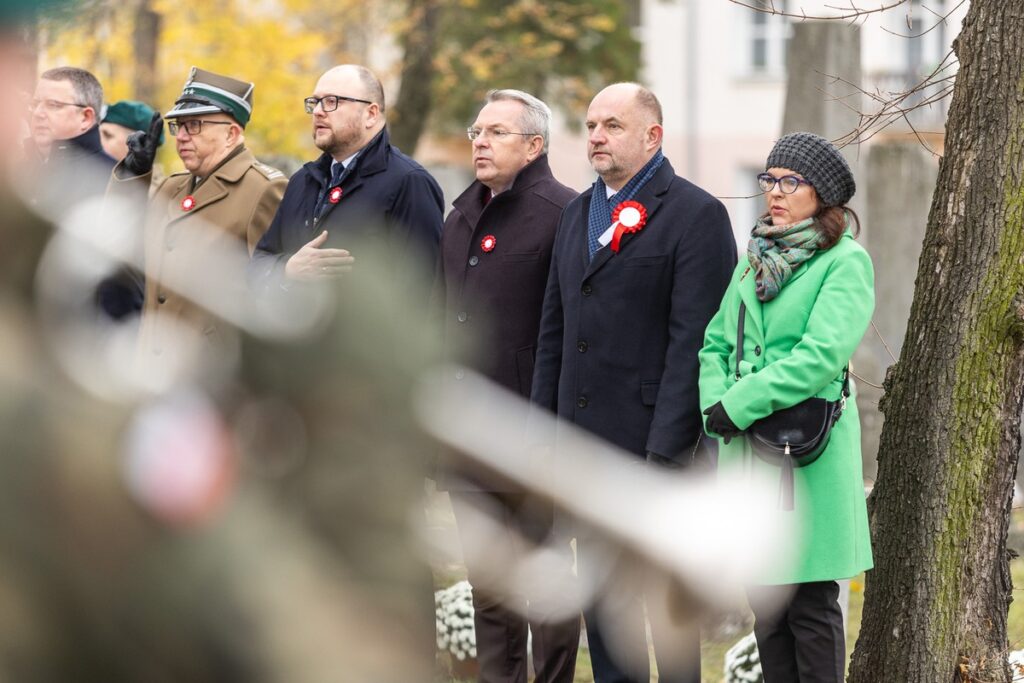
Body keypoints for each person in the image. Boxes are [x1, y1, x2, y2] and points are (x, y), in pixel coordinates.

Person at [530, 82, 736, 683]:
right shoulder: (575, 215)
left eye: (612, 125)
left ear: (653, 135)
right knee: (607, 619)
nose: (596, 135)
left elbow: (694, 344)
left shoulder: (697, 215)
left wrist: (663, 455)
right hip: (584, 450)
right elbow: (555, 333)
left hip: (655, 451)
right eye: (591, 124)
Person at [698, 132, 874, 683]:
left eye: (790, 182)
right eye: (768, 180)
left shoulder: (845, 262)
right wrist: (716, 404)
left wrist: (741, 402)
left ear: (822, 194)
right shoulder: (755, 260)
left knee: (812, 609)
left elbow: (821, 355)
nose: (775, 192)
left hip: (807, 458)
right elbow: (714, 344)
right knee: (767, 610)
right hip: (748, 453)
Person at [435, 89, 580, 683]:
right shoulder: (460, 213)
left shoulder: (564, 212)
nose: (480, 142)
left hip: (531, 431)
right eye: (476, 131)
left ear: (534, 145)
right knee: (489, 586)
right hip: (468, 433)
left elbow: (571, 326)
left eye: (496, 132)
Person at [107, 66, 287, 370]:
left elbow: (273, 292)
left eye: (195, 125)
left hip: (208, 374)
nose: (182, 137)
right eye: (179, 126)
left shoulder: (263, 189)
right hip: (149, 365)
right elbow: (120, 249)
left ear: (232, 134)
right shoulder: (171, 187)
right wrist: (132, 175)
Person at [248, 64, 443, 296]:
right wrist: (288, 269)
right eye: (315, 102)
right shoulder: (303, 180)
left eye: (331, 101)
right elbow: (260, 262)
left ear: (370, 114)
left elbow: (422, 291)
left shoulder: (409, 182)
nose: (318, 111)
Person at [28, 66, 114, 209]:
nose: (37, 113)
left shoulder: (111, 179)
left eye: (53, 105)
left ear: (85, 118)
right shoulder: (17, 167)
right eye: (35, 104)